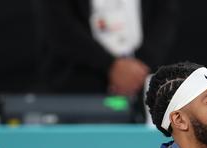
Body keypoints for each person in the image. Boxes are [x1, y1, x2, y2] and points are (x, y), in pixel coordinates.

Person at [41, 0, 179, 96]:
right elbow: (59, 26)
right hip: (77, 85)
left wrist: (135, 70)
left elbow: (164, 18)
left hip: (144, 84)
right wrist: (110, 65)